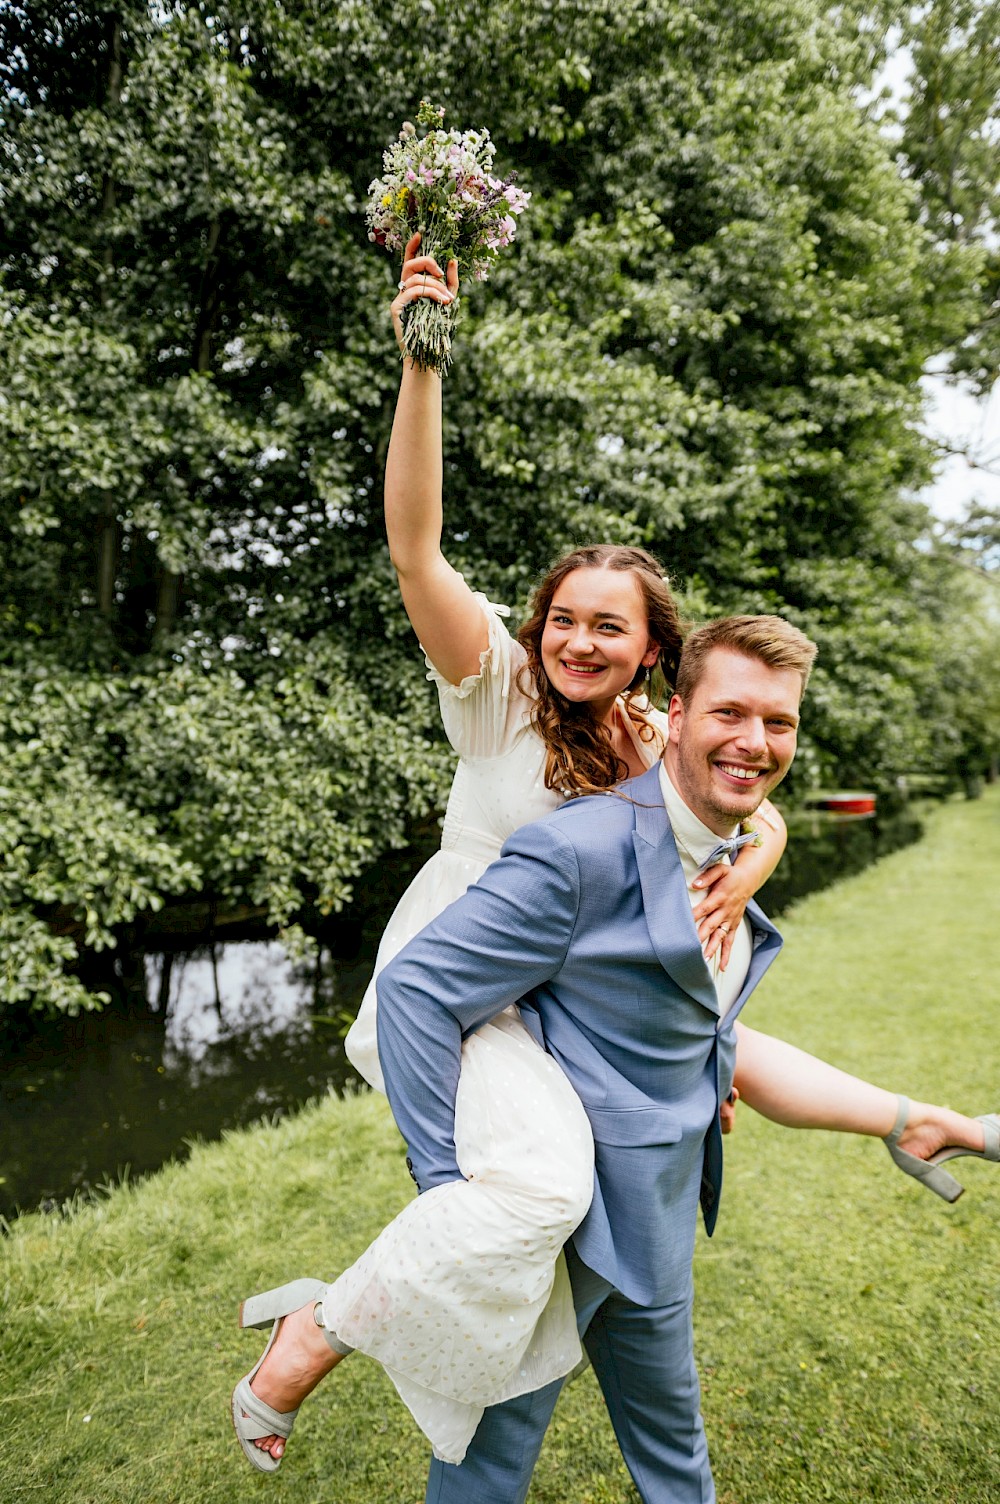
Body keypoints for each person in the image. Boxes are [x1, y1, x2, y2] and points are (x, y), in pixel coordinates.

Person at [230, 242, 997, 1476]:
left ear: (652, 656)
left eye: (610, 626)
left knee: (700, 1048)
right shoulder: (497, 691)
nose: (577, 640)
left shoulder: (659, 732)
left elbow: (744, 793)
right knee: (527, 1190)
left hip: (572, 974)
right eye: (562, 619)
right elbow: (416, 548)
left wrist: (757, 862)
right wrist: (421, 360)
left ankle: (917, 1120)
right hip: (470, 970)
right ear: (536, 628)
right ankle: (330, 1323)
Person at [374, 615, 996, 1504]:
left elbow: (706, 1029)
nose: (755, 742)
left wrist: (901, 1116)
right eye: (731, 714)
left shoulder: (729, 844)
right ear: (678, 711)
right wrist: (444, 1189)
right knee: (486, 1469)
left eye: (778, 722)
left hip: (660, 1214)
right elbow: (416, 992)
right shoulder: (574, 850)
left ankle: (932, 1129)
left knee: (674, 1452)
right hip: (561, 1227)